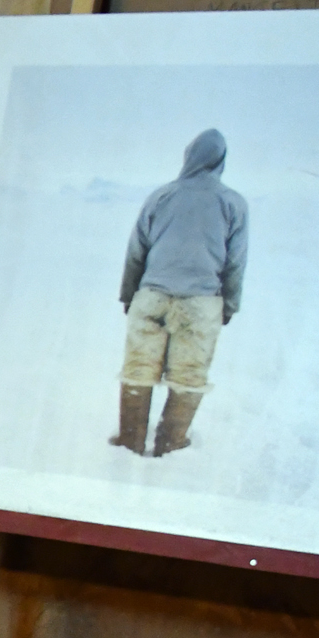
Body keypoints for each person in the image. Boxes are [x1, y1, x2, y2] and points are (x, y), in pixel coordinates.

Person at [115, 128, 249, 459]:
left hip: (152, 297)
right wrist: (229, 305)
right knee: (188, 375)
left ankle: (130, 443)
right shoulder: (233, 203)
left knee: (139, 370)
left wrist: (129, 296)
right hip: (201, 304)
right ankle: (171, 445)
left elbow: (137, 251)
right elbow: (235, 262)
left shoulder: (161, 196)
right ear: (220, 161)